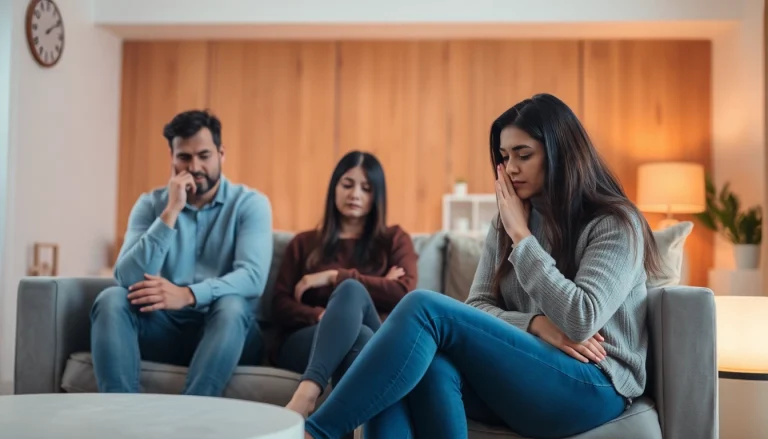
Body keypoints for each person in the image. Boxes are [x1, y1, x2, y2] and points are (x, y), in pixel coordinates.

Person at [300, 94, 663, 439]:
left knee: (424, 308)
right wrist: (535, 325)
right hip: (528, 375)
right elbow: (478, 305)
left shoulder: (615, 222)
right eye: (504, 156)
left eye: (524, 155)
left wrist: (522, 238)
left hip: (593, 383)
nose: (511, 169)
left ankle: (315, 432)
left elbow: (582, 318)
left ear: (560, 155)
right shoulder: (507, 220)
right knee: (426, 363)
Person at [90, 109, 273, 396]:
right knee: (111, 298)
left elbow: (252, 278)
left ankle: (191, 420)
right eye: (184, 157)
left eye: (204, 155)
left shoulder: (251, 204)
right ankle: (119, 417)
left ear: (221, 154)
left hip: (228, 333)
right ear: (172, 158)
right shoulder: (151, 204)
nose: (195, 166)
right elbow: (125, 277)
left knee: (232, 306)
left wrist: (188, 295)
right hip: (166, 330)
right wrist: (171, 211)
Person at [271, 150, 418, 419]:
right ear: (334, 188)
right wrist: (323, 316)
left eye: (366, 188)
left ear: (377, 195)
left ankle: (306, 399)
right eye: (347, 185)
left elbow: (405, 294)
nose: (355, 194)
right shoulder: (304, 243)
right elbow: (280, 304)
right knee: (357, 334)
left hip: (377, 335)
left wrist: (334, 277)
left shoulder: (394, 240)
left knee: (351, 293)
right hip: (307, 341)